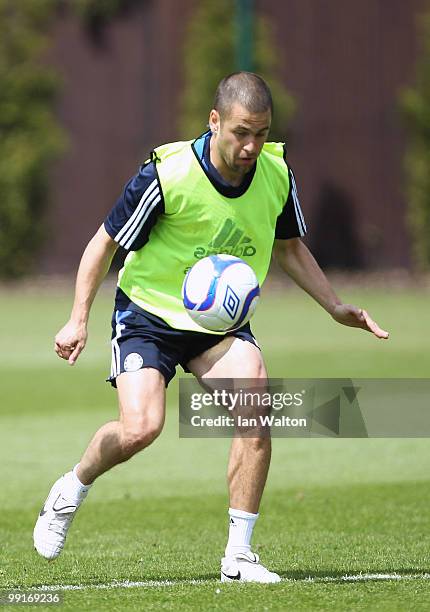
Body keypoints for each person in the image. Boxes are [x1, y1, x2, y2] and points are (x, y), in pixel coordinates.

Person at [33, 72, 389, 583]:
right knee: (141, 429)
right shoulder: (168, 173)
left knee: (255, 406)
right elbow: (104, 243)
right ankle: (73, 486)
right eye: (241, 132)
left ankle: (238, 559)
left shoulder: (276, 174)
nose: (251, 146)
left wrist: (334, 306)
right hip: (148, 316)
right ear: (214, 120)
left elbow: (288, 247)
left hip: (217, 325)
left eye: (261, 133)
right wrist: (77, 319)